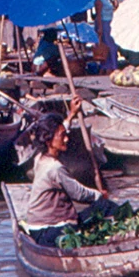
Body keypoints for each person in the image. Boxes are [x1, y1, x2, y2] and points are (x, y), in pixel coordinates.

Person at [23, 96, 117, 248]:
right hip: (51, 231)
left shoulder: (40, 157)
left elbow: (59, 130)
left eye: (65, 135)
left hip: (37, 228)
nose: (67, 139)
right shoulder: (55, 168)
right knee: (106, 206)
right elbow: (79, 193)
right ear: (48, 141)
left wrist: (71, 115)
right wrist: (100, 195)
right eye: (63, 136)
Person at [93, 0, 119, 73]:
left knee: (112, 45)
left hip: (110, 22)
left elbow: (116, 6)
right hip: (103, 23)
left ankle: (110, 66)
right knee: (109, 46)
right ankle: (111, 66)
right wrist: (99, 28)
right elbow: (98, 14)